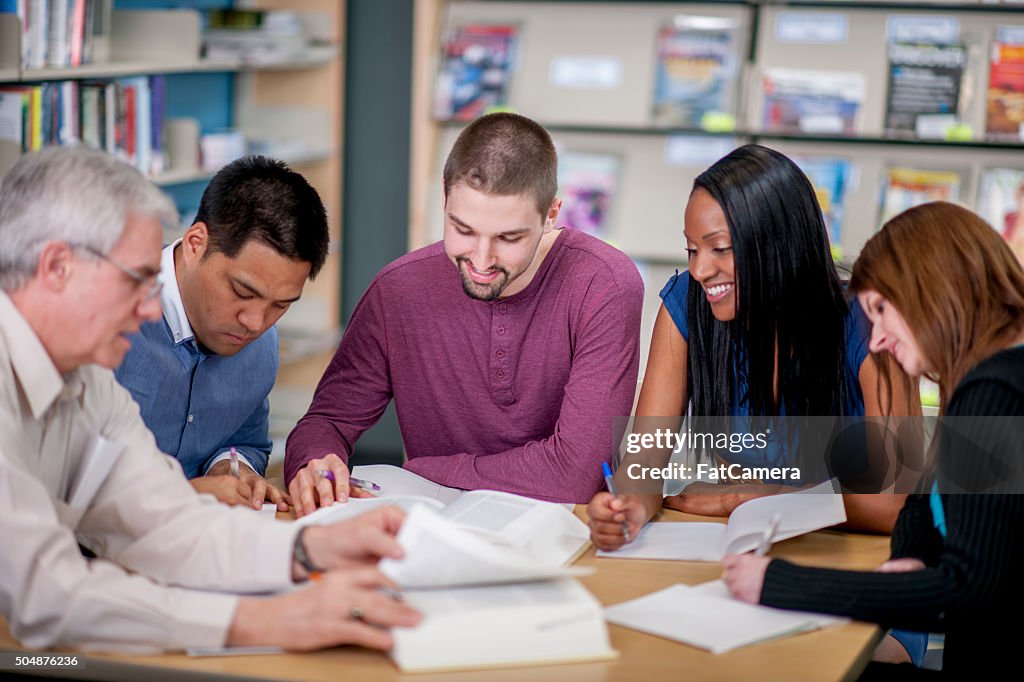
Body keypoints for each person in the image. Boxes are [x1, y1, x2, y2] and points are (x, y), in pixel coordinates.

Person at [0, 147, 419, 652]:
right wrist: (262, 622)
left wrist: (309, 548)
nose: (151, 306)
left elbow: (165, 521)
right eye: (137, 280)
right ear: (57, 266)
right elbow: (48, 597)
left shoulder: (88, 382)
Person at [586, 145, 923, 664]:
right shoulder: (686, 307)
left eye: (719, 248)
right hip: (743, 566)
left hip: (866, 575)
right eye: (691, 250)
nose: (700, 269)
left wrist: (741, 498)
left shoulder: (869, 324)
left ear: (776, 244)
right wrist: (630, 503)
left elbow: (891, 505)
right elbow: (646, 453)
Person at [284, 112, 644, 514]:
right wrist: (315, 462)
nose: (482, 259)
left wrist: (431, 470)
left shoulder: (604, 284)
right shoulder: (398, 289)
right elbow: (325, 422)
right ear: (444, 196)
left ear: (551, 214)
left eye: (509, 238)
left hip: (559, 529)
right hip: (435, 530)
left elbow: (577, 474)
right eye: (463, 230)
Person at [723, 201, 1024, 678]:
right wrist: (907, 562)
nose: (878, 340)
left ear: (935, 290)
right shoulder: (980, 377)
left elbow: (968, 587)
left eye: (882, 311)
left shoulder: (996, 391)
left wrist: (781, 583)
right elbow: (921, 507)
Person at [115, 156, 329, 511]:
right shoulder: (107, 318)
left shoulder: (261, 344)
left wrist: (232, 469)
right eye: (243, 292)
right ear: (197, 242)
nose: (255, 322)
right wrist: (187, 494)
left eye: (281, 304)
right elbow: (66, 482)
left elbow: (244, 441)